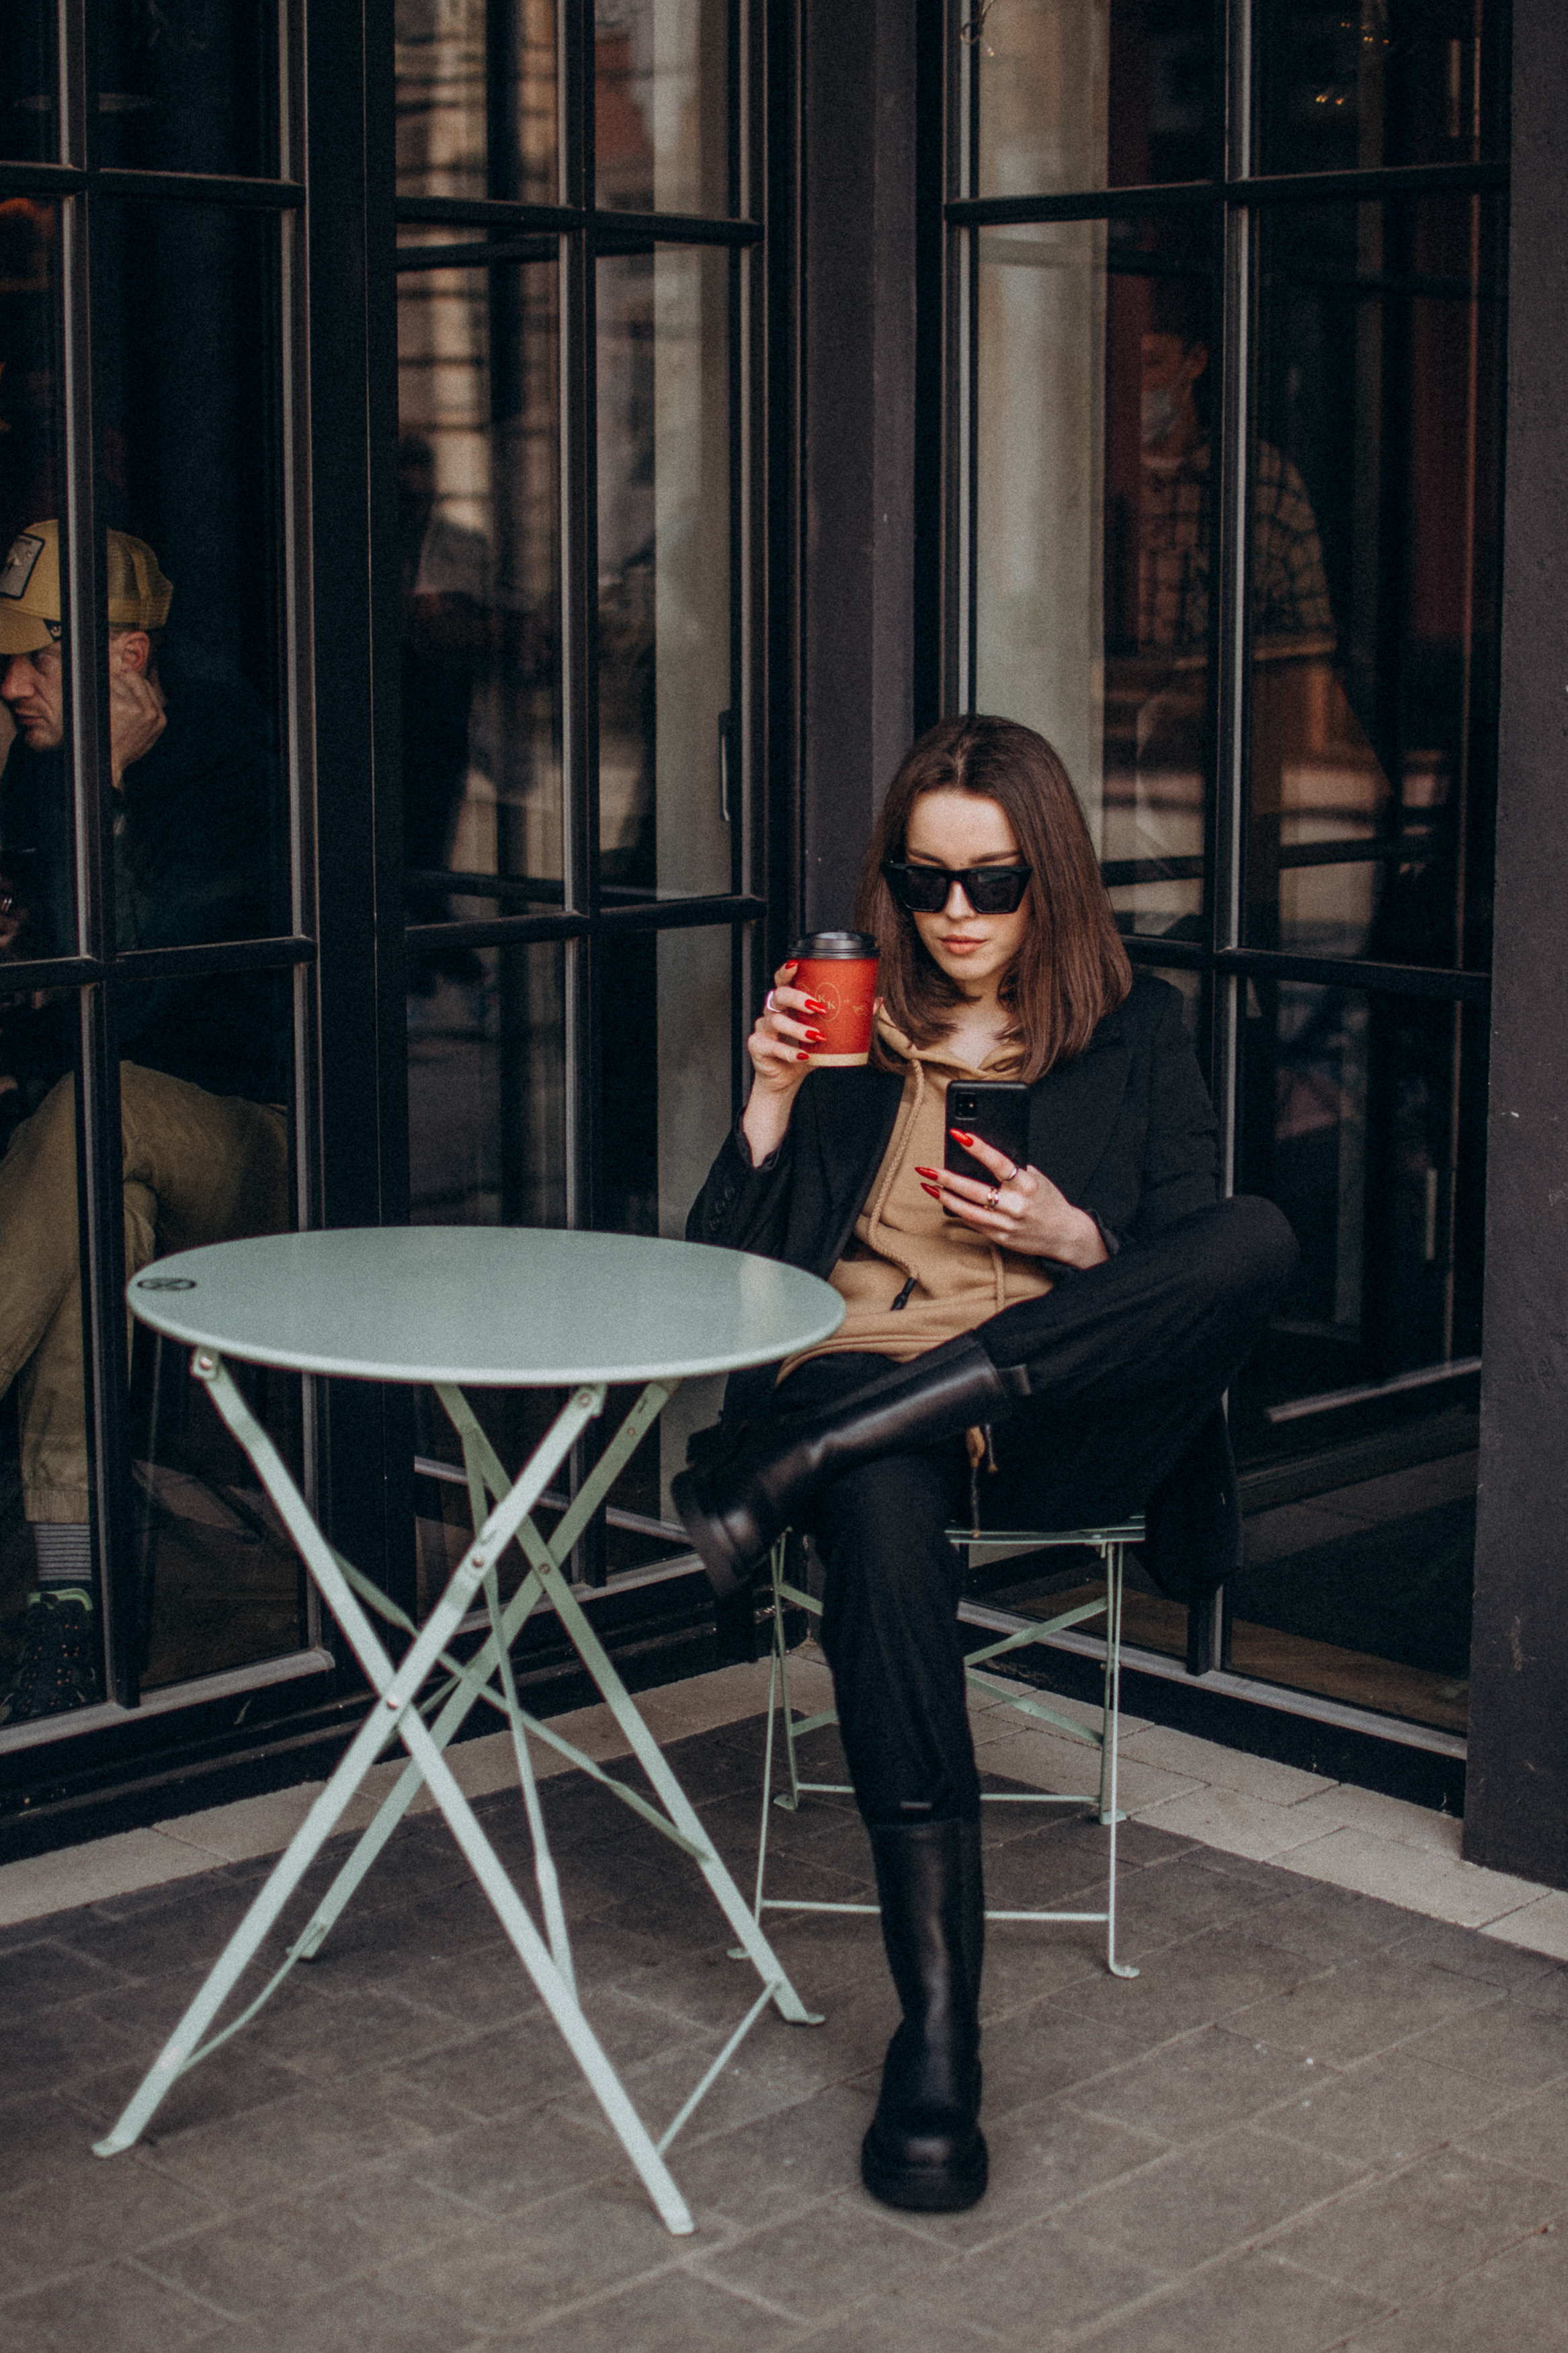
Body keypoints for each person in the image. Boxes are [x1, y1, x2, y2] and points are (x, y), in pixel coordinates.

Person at [675, 715, 1297, 2215]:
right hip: (870, 1404)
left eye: (993, 883)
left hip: (1057, 1421)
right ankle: (938, 2037)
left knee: (1262, 1235)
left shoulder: (1134, 1029)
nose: (955, 915)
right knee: (881, 1506)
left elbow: (1191, 1263)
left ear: (1052, 880)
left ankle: (817, 1455)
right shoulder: (840, 1035)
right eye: (925, 880)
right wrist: (761, 1112)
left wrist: (1077, 1245)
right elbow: (713, 1292)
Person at [0, 521, 289, 1721]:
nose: (9, 683)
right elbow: (41, 1030)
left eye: (33, 661)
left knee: (95, 1107)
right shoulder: (32, 763)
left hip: (260, 1142)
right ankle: (74, 1604)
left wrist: (104, 794)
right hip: (100, 1142)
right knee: (95, 1212)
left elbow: (132, 998)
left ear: (124, 659)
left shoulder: (228, 769)